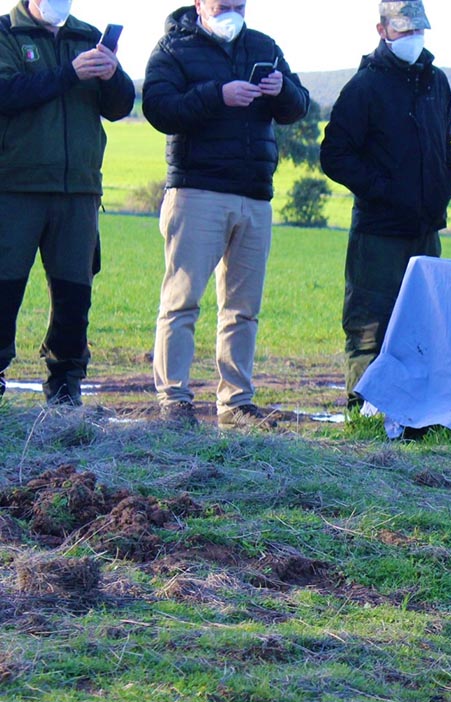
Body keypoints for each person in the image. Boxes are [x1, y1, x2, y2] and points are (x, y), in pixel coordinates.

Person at [142, 0, 310, 427]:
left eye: (239, 4)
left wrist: (282, 91)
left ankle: (236, 402)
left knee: (243, 308)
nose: (232, 10)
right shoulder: (174, 48)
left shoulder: (263, 46)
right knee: (181, 302)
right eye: (223, 3)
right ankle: (173, 400)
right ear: (200, 3)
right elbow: (159, 108)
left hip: (254, 194)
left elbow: (300, 105)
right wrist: (217, 95)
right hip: (197, 189)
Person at [320, 0, 451, 408]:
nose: (413, 39)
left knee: (422, 325)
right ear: (382, 31)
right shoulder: (364, 87)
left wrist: (448, 177)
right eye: (404, 31)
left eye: (418, 31)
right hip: (379, 231)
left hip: (426, 229)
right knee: (370, 327)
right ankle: (363, 410)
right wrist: (381, 188)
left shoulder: (437, 82)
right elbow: (335, 155)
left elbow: (446, 141)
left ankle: (412, 412)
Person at [0, 0, 135, 405]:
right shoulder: (6, 33)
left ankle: (65, 385)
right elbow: (7, 93)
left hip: (79, 189)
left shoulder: (85, 36)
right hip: (15, 186)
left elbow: (121, 106)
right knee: (4, 289)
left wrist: (112, 76)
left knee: (74, 295)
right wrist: (67, 73)